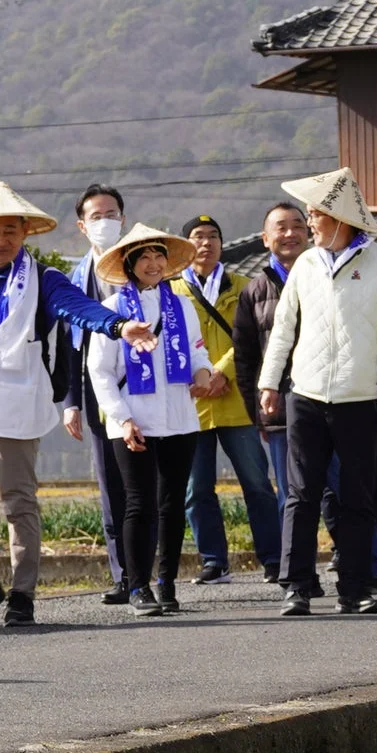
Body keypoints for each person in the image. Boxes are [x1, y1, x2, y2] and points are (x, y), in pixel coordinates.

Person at [0, 183, 155, 627]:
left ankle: (22, 593)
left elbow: (79, 309)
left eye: (9, 231)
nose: (1, 239)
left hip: (15, 401)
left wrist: (117, 325)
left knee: (19, 501)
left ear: (24, 233)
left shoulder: (44, 278)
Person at [257, 167, 377, 617]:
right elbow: (284, 328)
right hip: (305, 394)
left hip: (360, 396)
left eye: (315, 214)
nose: (309, 223)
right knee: (301, 493)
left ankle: (355, 588)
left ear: (341, 217)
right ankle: (297, 586)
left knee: (357, 494)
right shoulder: (306, 263)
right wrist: (270, 383)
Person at [89, 225, 216, 616]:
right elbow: (100, 371)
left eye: (159, 255)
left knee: (172, 504)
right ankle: (138, 586)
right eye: (144, 256)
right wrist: (123, 419)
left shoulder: (182, 306)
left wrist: (203, 374)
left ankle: (168, 583)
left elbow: (198, 354)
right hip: (134, 420)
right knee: (139, 504)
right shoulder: (112, 312)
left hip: (179, 417)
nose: (154, 263)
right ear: (128, 264)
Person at [173, 214, 281, 586]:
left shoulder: (244, 285)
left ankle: (273, 558)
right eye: (198, 237)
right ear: (186, 245)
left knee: (257, 484)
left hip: (236, 400)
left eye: (214, 236)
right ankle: (213, 561)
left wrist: (221, 372)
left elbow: (251, 339)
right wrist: (201, 377)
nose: (207, 243)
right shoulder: (173, 292)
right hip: (193, 403)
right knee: (196, 489)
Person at [60, 184, 136, 604]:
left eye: (111, 214)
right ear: (82, 226)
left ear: (122, 219)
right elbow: (70, 347)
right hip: (97, 393)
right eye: (95, 216)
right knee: (111, 485)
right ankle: (123, 575)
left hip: (145, 388)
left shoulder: (143, 265)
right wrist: (71, 402)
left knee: (150, 484)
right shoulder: (73, 279)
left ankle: (153, 572)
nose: (104, 221)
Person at [231, 200, 308, 583]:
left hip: (329, 403)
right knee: (290, 493)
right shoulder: (254, 291)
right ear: (266, 238)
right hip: (279, 410)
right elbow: (245, 360)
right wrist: (257, 413)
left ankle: (356, 567)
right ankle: (295, 572)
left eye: (298, 225)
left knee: (338, 490)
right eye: (281, 227)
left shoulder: (326, 279)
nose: (290, 233)